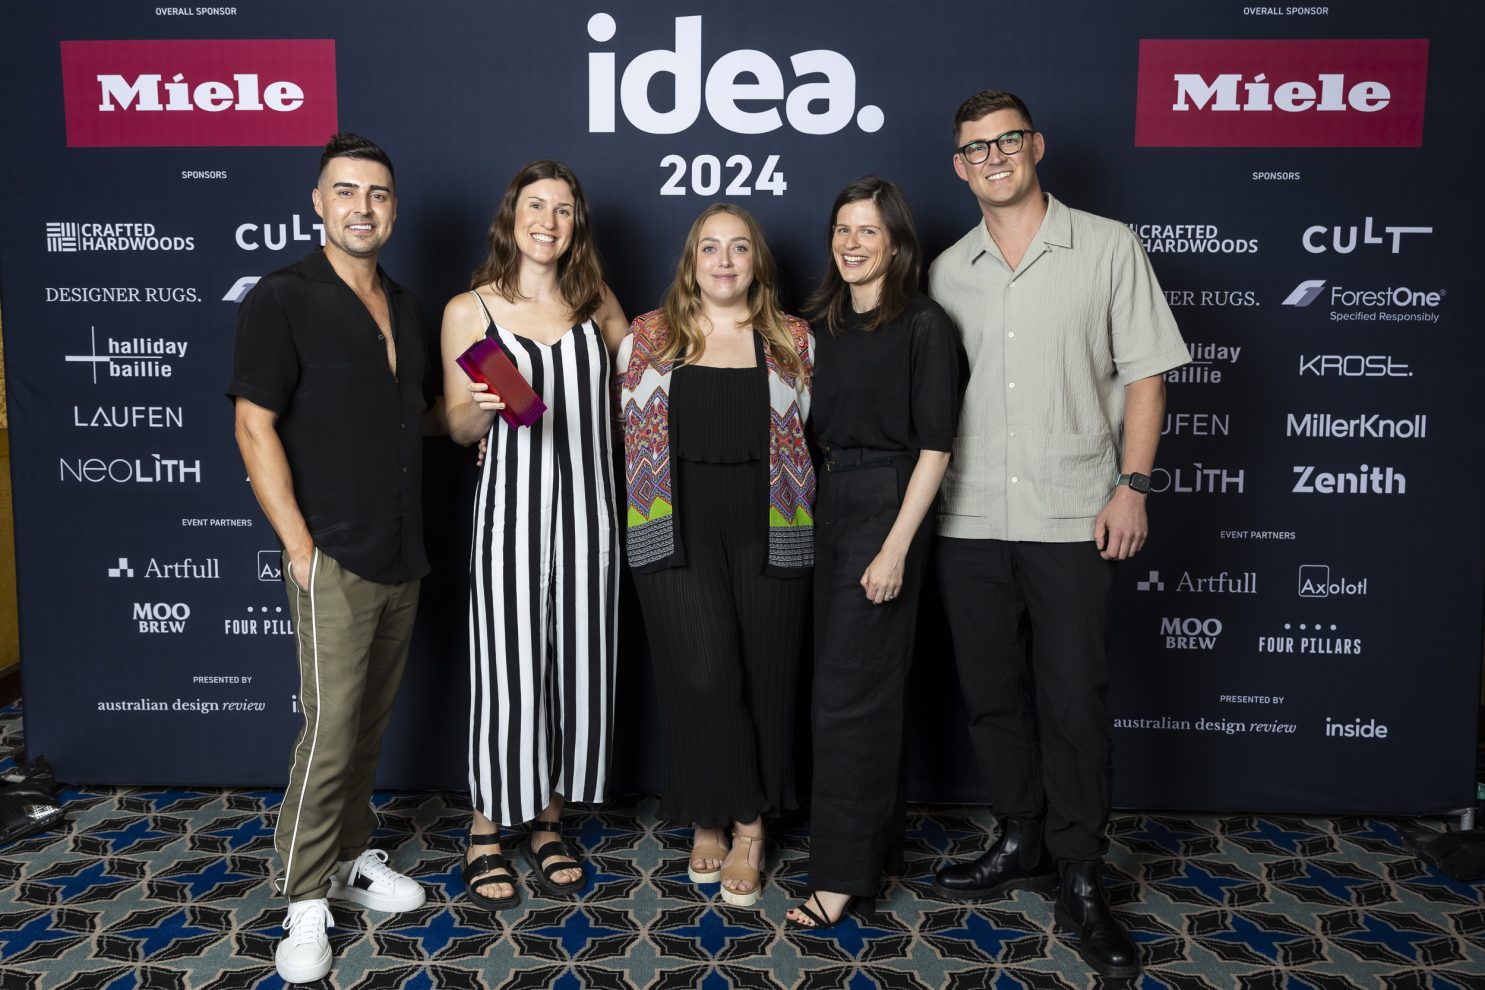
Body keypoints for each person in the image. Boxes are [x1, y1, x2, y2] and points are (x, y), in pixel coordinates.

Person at [928, 90, 1190, 978]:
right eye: (975, 149)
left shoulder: (1108, 246)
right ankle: (1021, 839)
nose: (993, 157)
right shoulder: (945, 268)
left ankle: (1081, 872)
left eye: (1007, 141)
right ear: (958, 167)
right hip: (967, 517)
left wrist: (1132, 487)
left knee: (1074, 699)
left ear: (1035, 145)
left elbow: (1148, 375)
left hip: (1074, 512)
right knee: (992, 694)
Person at [229, 133, 432, 984]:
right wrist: (299, 546)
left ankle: (349, 858)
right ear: (318, 201)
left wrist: (502, 419)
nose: (363, 207)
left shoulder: (407, 304)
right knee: (329, 728)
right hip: (332, 553)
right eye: (346, 192)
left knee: (368, 723)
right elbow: (253, 423)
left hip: (401, 548)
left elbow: (412, 420)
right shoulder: (283, 296)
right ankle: (304, 895)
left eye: (378, 194)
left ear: (393, 207)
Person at [441, 160, 627, 910]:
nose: (547, 220)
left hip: (591, 516)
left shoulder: (596, 302)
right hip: (510, 517)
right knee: (508, 673)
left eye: (562, 209)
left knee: (575, 671)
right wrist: (483, 409)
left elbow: (648, 371)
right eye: (534, 205)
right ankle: (486, 829)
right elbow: (455, 426)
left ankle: (549, 820)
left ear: (575, 223)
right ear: (510, 216)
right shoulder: (470, 309)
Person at [617, 203, 814, 908]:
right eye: (710, 248)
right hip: (670, 523)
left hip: (771, 524)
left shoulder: (793, 339)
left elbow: (818, 431)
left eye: (738, 248)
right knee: (701, 671)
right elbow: (579, 408)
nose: (724, 261)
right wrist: (494, 421)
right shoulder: (647, 335)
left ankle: (740, 829)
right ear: (690, 261)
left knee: (763, 675)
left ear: (756, 260)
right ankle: (725, 815)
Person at [784, 177, 962, 931]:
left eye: (867, 232)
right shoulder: (822, 324)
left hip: (889, 504)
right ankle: (877, 848)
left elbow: (936, 447)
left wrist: (894, 548)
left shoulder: (924, 324)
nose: (851, 244)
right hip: (827, 500)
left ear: (894, 243)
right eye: (842, 230)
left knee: (846, 702)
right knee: (852, 688)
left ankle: (838, 876)